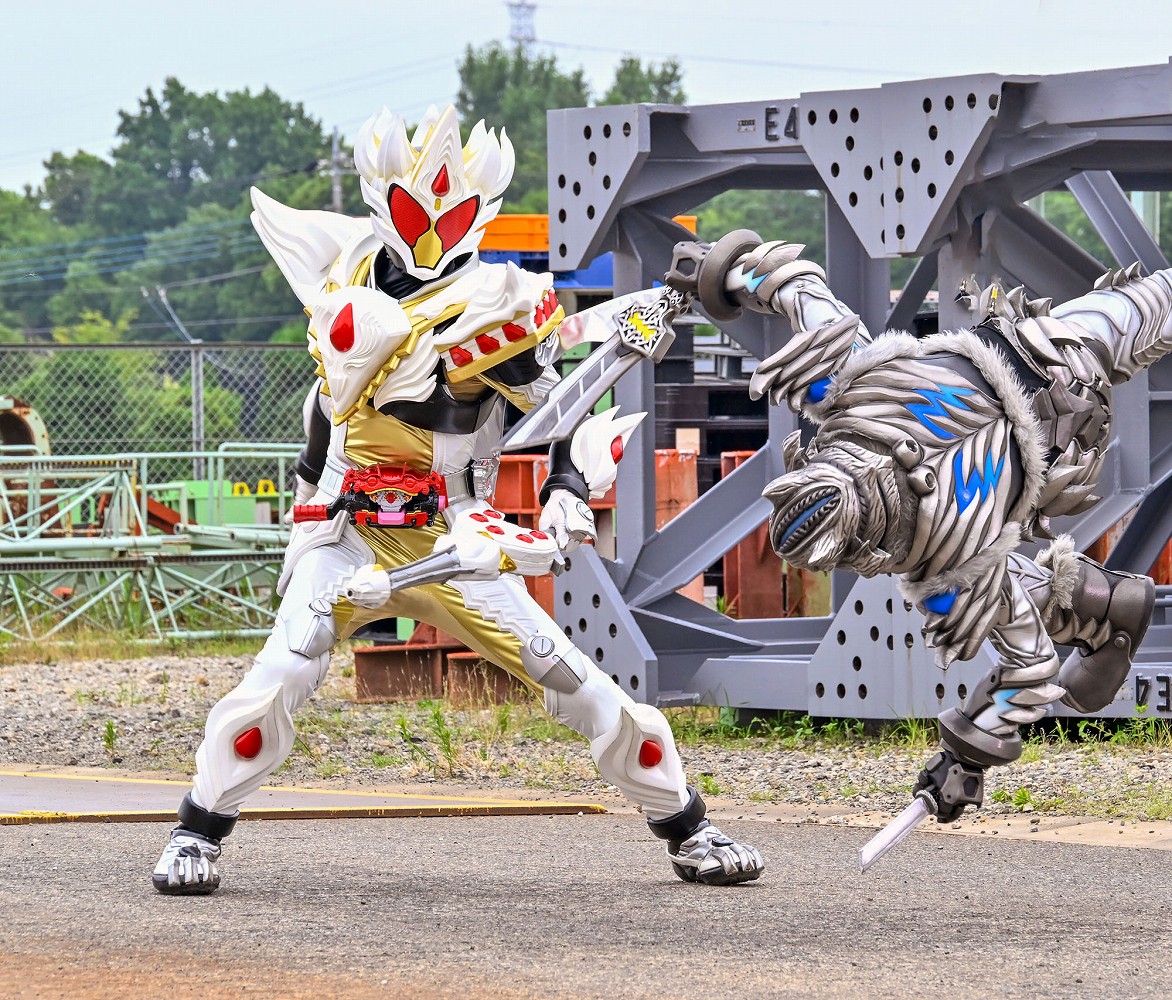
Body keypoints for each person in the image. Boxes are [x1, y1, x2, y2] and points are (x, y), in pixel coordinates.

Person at [152, 106, 763, 894]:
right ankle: (197, 830)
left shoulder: (498, 301)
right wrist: (307, 521)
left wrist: (566, 486)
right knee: (283, 670)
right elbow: (324, 418)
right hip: (348, 533)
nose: (432, 234)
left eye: (451, 215)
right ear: (383, 203)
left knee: (576, 682)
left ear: (480, 213)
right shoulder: (344, 265)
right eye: (415, 215)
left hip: (452, 535)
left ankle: (687, 825)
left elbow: (560, 406)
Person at [669, 230, 1166, 827]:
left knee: (1000, 591)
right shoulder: (843, 389)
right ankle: (1099, 607)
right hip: (1045, 357)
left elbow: (1029, 670)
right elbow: (795, 286)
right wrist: (725, 274)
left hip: (1049, 389)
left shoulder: (936, 558)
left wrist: (966, 758)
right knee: (1149, 305)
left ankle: (1100, 606)